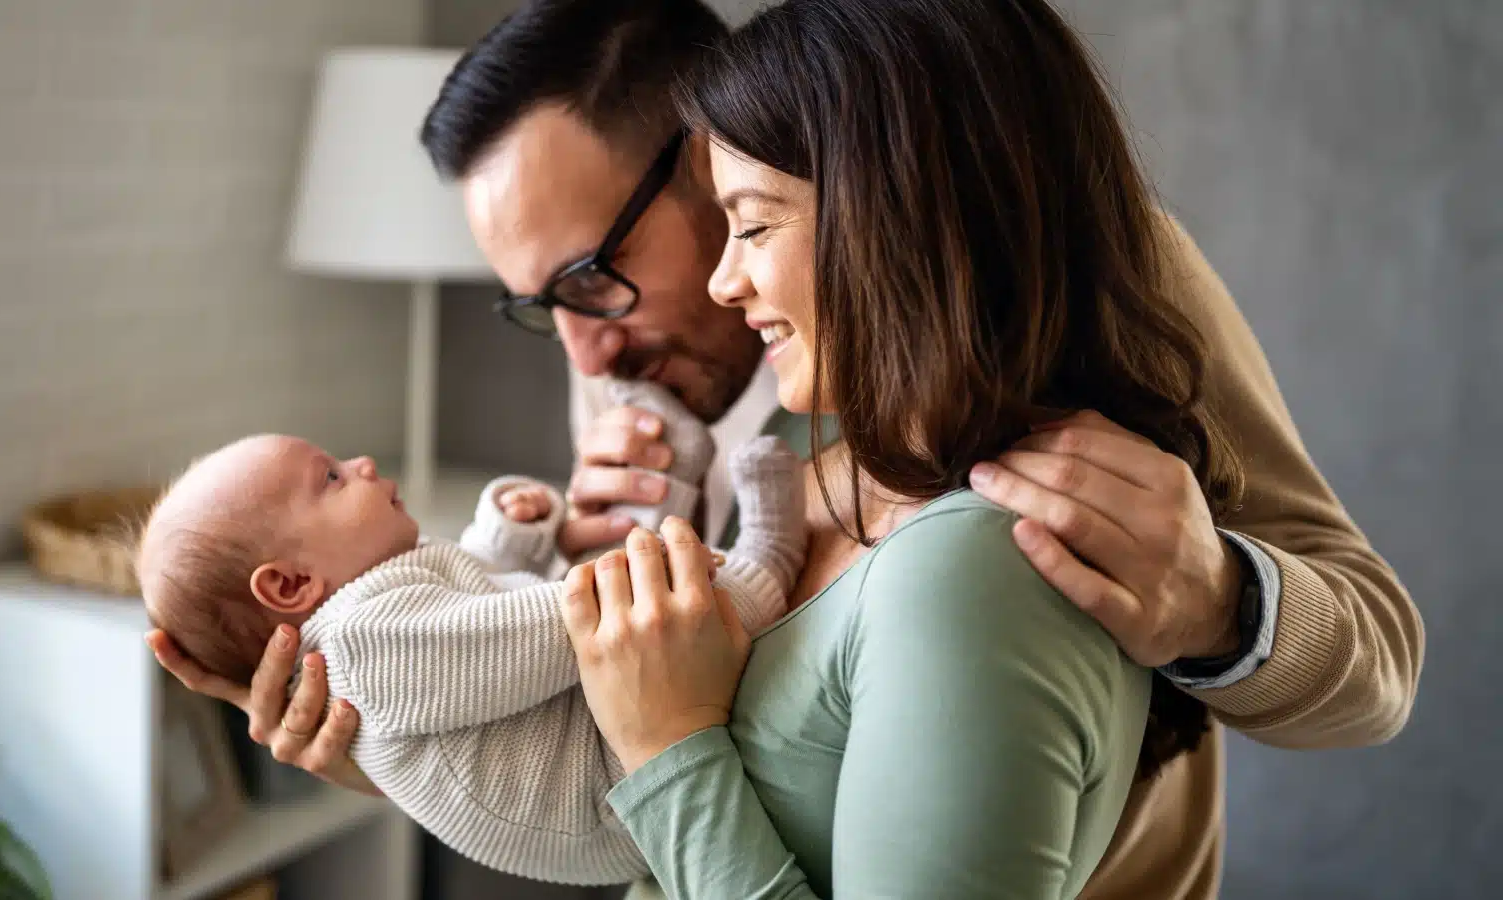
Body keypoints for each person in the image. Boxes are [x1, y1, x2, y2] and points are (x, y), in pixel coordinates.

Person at [145, 0, 1423, 896]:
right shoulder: (630, 367)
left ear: (710, 160)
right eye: (539, 305)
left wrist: (1210, 597)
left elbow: (1374, 662)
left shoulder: (1068, 272)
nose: (583, 356)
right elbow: (668, 754)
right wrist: (403, 744)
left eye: (595, 278)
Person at [137, 423, 804, 885]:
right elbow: (510, 637)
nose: (364, 465)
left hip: (612, 763)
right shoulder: (364, 650)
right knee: (661, 612)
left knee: (630, 605)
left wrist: (508, 534)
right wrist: (630, 585)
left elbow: (474, 598)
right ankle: (767, 565)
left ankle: (696, 513)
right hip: (611, 797)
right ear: (290, 585)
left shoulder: (384, 616)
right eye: (332, 478)